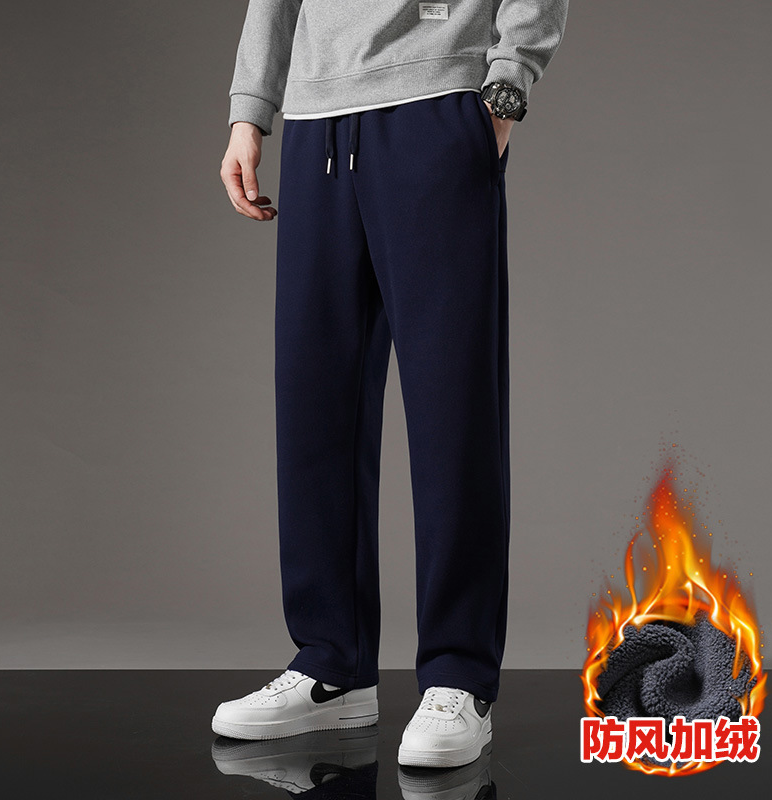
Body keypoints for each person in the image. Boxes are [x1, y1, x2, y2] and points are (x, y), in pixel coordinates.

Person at [213, 0, 568, 769]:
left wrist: (506, 89)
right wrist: (251, 110)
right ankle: (331, 664)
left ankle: (459, 676)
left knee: (452, 408)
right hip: (315, 121)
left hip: (434, 104)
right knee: (315, 407)